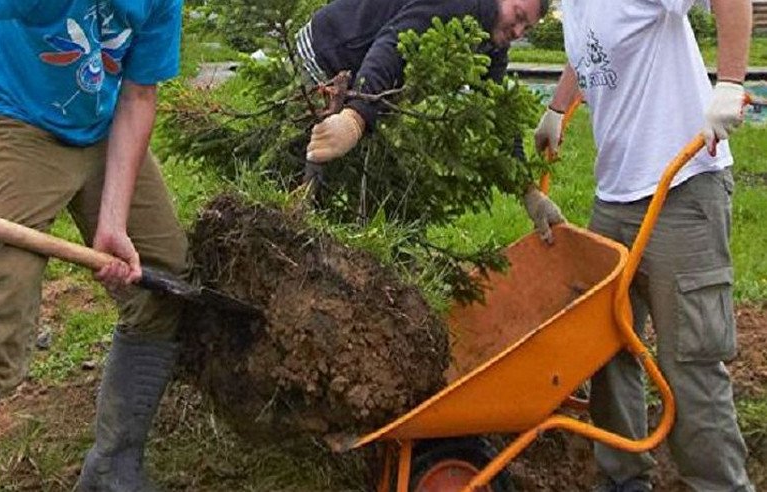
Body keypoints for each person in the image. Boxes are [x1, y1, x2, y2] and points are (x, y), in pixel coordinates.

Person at [0, 1, 187, 491]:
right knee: (5, 300)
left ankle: (113, 466)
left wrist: (113, 221)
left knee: (163, 279)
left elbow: (139, 93)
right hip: (13, 119)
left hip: (104, 129)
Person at [535, 0, 753, 490]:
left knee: (689, 361)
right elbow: (589, 53)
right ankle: (623, 479)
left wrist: (732, 84)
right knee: (605, 347)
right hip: (614, 196)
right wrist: (557, 106)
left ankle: (720, 484)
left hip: (682, 186)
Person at [297, 0, 566, 243]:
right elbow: (392, 46)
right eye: (517, 16)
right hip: (326, 51)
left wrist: (529, 191)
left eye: (526, 28)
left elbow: (497, 110)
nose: (518, 32)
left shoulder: (491, 38)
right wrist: (355, 118)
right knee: (304, 162)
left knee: (372, 182)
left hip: (365, 84)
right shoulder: (458, 4)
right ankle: (297, 227)